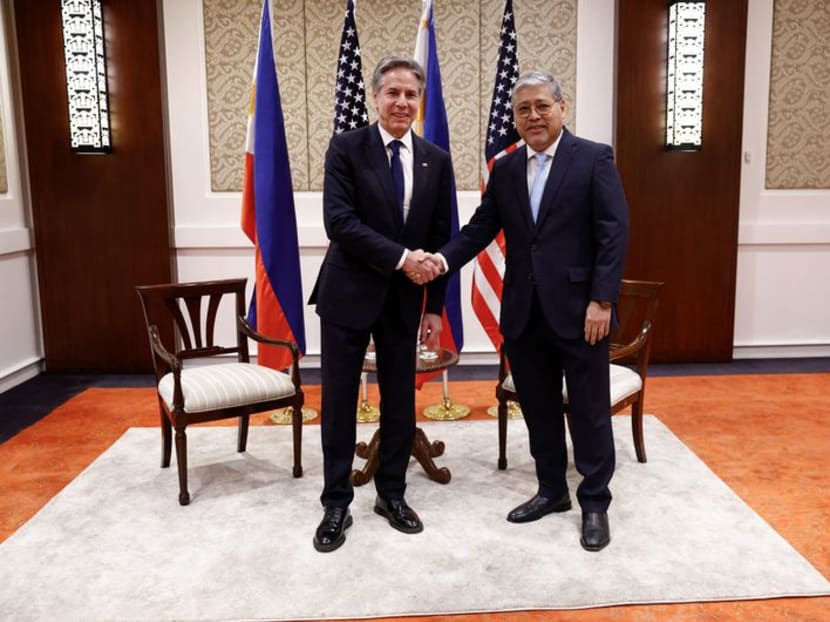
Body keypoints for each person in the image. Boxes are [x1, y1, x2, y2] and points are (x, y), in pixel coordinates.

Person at [426, 71, 628, 552]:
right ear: (514, 118)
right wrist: (440, 261)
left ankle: (594, 501)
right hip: (523, 312)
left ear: (562, 108)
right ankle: (552, 490)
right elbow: (480, 230)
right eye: (523, 109)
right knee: (538, 409)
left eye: (542, 106)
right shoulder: (506, 169)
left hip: (582, 313)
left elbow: (613, 232)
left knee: (589, 412)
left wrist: (602, 300)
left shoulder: (593, 158)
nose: (533, 116)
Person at [308, 56, 453, 553]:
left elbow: (442, 236)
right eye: (393, 93)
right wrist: (401, 258)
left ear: (420, 101)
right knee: (338, 403)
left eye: (411, 94)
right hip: (347, 293)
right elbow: (339, 222)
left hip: (405, 300)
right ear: (376, 97)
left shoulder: (436, 159)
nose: (402, 102)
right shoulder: (347, 147)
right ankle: (336, 502)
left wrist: (435, 306)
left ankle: (392, 494)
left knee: (399, 401)